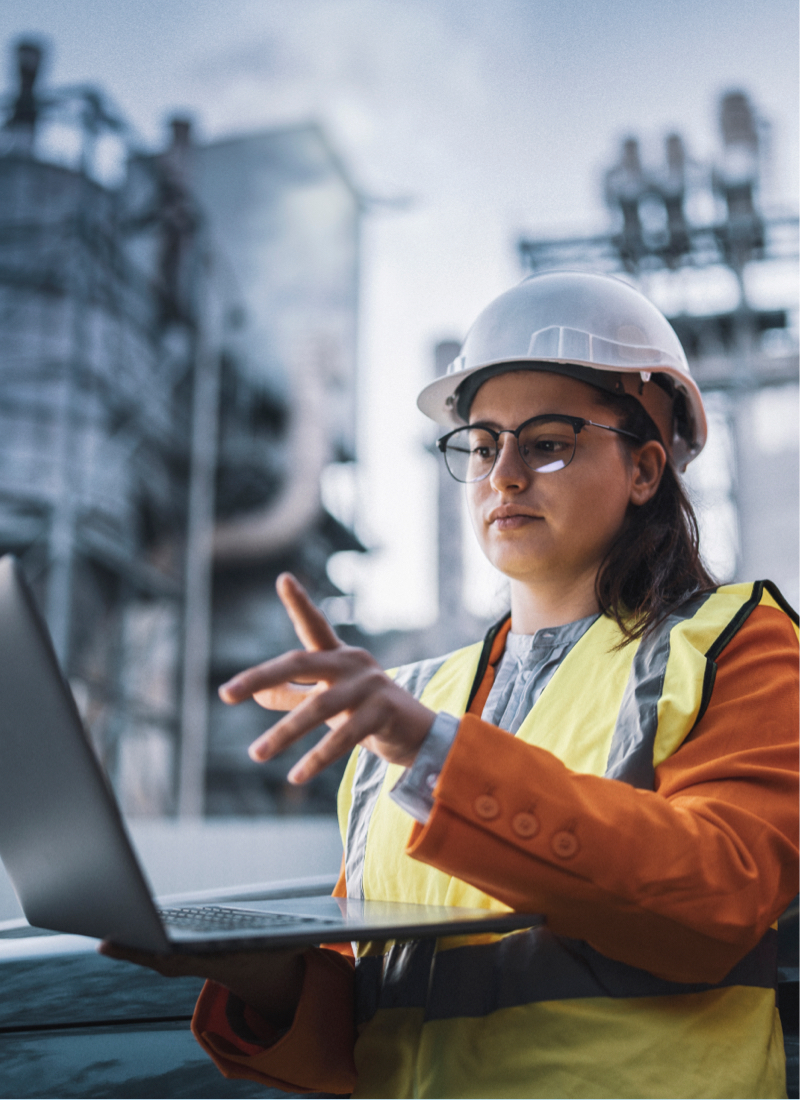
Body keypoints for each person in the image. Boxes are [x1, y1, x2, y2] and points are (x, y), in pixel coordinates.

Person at [102, 271, 799, 1099]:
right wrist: (263, 977)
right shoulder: (409, 702)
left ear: (645, 468)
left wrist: (428, 746)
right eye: (479, 443)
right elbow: (385, 1018)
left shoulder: (735, 644)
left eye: (547, 441)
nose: (502, 474)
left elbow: (718, 899)